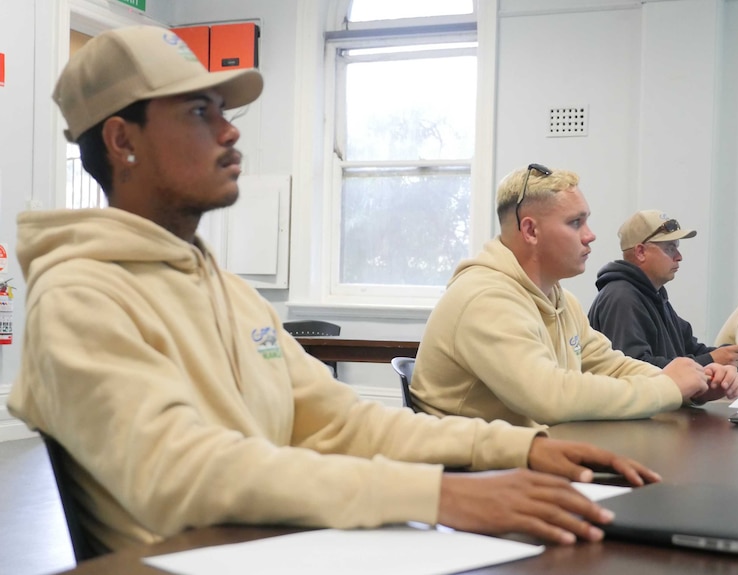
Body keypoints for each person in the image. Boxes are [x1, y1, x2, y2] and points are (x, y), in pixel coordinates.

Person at [7, 26, 660, 553]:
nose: (231, 131)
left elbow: (341, 420)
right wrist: (438, 495)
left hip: (281, 545)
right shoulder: (80, 297)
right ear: (123, 140)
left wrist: (520, 447)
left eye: (225, 112)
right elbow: (188, 473)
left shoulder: (227, 292)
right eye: (200, 112)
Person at [410, 165, 738, 428]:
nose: (591, 235)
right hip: (469, 479)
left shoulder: (562, 300)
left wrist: (693, 383)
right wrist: (668, 388)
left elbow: (608, 365)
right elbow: (549, 396)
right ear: (530, 231)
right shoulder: (484, 298)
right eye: (575, 223)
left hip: (527, 458)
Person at [587, 210, 738, 369]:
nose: (679, 256)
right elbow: (636, 369)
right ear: (640, 252)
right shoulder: (622, 298)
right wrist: (711, 361)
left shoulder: (654, 295)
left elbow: (691, 350)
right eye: (670, 248)